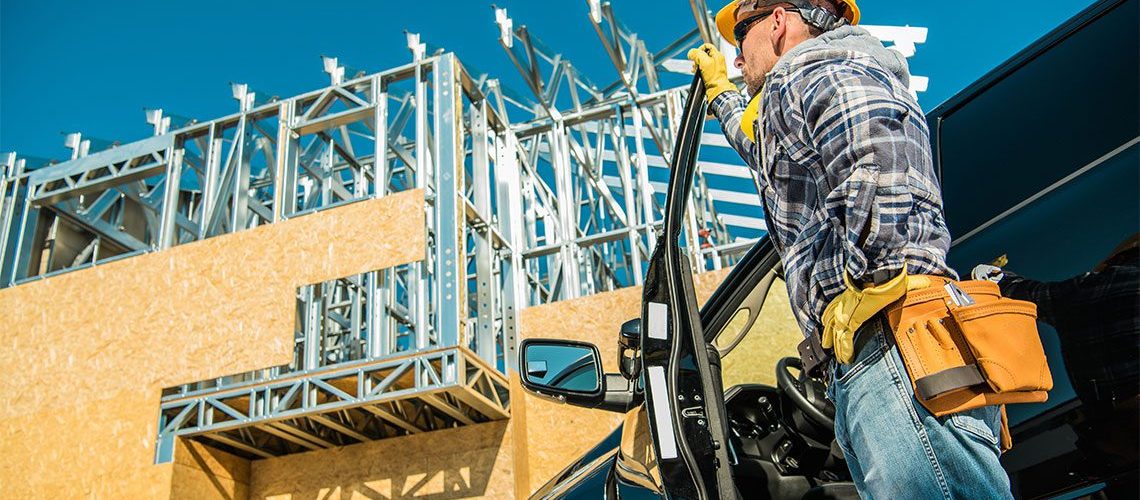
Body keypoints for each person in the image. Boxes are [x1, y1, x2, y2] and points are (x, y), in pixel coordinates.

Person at [688, 1, 1014, 497]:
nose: (737, 58)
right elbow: (769, 151)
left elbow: (880, 163)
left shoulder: (823, 68)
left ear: (777, 20)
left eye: (741, 36)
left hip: (891, 339)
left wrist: (869, 284)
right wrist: (721, 96)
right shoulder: (808, 82)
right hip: (880, 350)